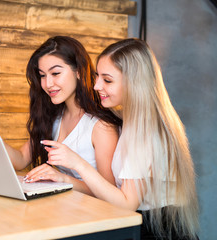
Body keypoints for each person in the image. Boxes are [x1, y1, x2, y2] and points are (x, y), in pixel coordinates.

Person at [39, 38, 199, 239]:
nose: (96, 86)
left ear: (134, 82)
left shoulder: (144, 130)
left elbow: (126, 204)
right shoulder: (133, 121)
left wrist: (77, 163)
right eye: (97, 77)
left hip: (156, 231)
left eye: (107, 80)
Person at [4, 36, 122, 196]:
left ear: (78, 72)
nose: (48, 84)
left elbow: (110, 192)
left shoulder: (100, 126)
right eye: (43, 75)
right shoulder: (54, 116)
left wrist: (62, 179)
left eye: (55, 73)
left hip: (94, 213)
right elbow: (21, 159)